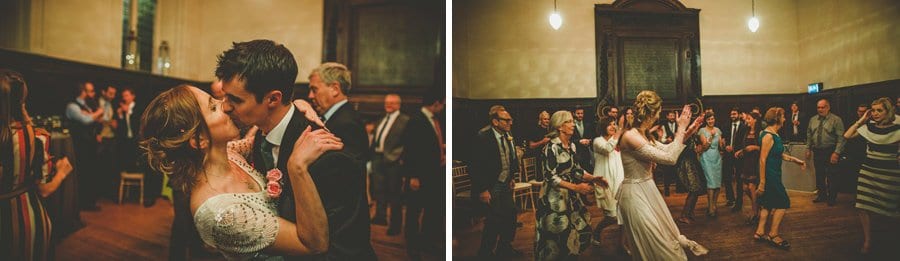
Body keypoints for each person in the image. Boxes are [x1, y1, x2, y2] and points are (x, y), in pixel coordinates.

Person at [217, 40, 375, 260]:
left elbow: (346, 249)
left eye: (235, 99)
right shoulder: (261, 137)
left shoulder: (330, 156)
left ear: (273, 99)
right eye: (225, 96)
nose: (225, 106)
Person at [139, 85, 335, 259]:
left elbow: (258, 136)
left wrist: (292, 108)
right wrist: (297, 168)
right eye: (213, 107)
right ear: (199, 140)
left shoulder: (230, 152)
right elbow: (314, 244)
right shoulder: (221, 213)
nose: (226, 105)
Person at [617, 90, 707, 260]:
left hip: (647, 189)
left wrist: (689, 130)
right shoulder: (630, 136)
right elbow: (670, 158)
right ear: (652, 113)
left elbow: (667, 149)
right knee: (654, 241)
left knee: (663, 236)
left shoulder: (643, 134)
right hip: (635, 194)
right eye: (658, 111)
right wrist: (681, 127)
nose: (659, 115)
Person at [0, 69, 74, 261]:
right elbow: (44, 190)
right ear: (21, 102)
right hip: (26, 224)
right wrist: (62, 172)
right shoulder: (36, 138)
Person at [534, 110, 608, 260]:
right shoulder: (551, 148)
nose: (573, 124)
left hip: (570, 195)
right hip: (554, 198)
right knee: (557, 234)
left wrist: (593, 178)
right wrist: (577, 188)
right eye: (568, 121)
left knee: (580, 227)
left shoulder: (571, 146)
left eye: (572, 121)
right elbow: (550, 177)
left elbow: (576, 170)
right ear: (559, 126)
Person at [842, 97, 899, 254]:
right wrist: (862, 120)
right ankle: (868, 240)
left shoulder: (897, 127)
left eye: (879, 110)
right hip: (869, 171)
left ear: (888, 111)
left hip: (890, 173)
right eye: (873, 110)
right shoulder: (869, 126)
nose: (875, 113)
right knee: (862, 206)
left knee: (892, 209)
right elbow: (847, 135)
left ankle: (892, 240)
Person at [470, 106, 522, 258]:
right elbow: (475, 166)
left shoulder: (508, 134)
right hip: (491, 185)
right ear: (495, 121)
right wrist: (482, 189)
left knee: (510, 215)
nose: (510, 122)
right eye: (507, 120)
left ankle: (504, 248)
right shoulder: (482, 136)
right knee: (494, 220)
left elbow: (511, 156)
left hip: (505, 183)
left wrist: (511, 177)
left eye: (511, 119)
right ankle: (485, 253)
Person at [753, 107, 807, 250]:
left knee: (767, 203)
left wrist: (795, 160)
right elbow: (762, 159)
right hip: (770, 175)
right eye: (783, 116)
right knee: (783, 202)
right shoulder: (768, 136)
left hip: (774, 173)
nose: (785, 119)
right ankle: (773, 234)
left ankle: (759, 232)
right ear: (777, 118)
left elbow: (778, 154)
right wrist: (762, 182)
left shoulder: (773, 134)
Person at [400, 92, 445, 260]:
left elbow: (428, 145)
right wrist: (413, 176)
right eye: (443, 104)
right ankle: (412, 247)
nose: (443, 107)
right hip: (419, 176)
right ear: (436, 103)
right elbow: (410, 149)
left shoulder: (433, 119)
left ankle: (426, 241)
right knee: (414, 211)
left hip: (433, 173)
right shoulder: (417, 120)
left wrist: (441, 152)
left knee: (431, 209)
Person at [307, 62, 369, 163]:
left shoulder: (348, 124)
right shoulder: (340, 118)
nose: (310, 96)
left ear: (335, 89)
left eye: (314, 90)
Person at [370, 94, 409, 235]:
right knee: (379, 190)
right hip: (378, 158)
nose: (388, 105)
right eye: (387, 102)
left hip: (394, 161)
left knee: (394, 194)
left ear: (399, 105)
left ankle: (395, 225)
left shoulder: (405, 120)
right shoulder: (382, 119)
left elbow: (408, 143)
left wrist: (401, 158)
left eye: (392, 103)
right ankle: (380, 217)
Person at [65, 81, 104, 211]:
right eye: (87, 91)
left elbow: (95, 119)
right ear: (82, 92)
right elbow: (86, 120)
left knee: (90, 173)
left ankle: (89, 202)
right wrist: (98, 112)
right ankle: (83, 203)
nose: (89, 93)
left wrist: (92, 115)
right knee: (83, 173)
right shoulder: (72, 106)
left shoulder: (85, 105)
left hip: (89, 144)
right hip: (80, 144)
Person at [590, 116, 624, 246]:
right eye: (610, 124)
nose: (613, 127)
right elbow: (607, 148)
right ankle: (596, 232)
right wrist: (619, 131)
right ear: (603, 126)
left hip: (618, 180)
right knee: (612, 216)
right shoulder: (597, 141)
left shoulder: (616, 140)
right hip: (605, 181)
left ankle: (621, 244)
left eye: (614, 124)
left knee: (622, 214)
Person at [806, 99, 845, 206]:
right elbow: (809, 134)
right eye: (818, 107)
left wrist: (836, 153)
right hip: (817, 151)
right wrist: (808, 148)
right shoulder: (813, 120)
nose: (820, 109)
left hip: (830, 151)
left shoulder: (836, 120)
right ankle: (822, 196)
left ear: (828, 107)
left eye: (823, 107)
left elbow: (841, 138)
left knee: (832, 176)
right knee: (819, 175)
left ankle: (832, 198)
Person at [674, 114, 707, 225]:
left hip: (693, 162)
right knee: (694, 189)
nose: (696, 127)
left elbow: (698, 147)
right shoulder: (685, 134)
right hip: (686, 163)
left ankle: (690, 213)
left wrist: (699, 147)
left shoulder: (694, 135)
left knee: (696, 189)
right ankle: (684, 215)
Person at [735, 112, 763, 224]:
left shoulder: (760, 132)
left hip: (755, 162)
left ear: (755, 120)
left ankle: (754, 213)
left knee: (752, 186)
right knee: (745, 188)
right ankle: (758, 205)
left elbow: (764, 148)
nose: (747, 121)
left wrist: (754, 147)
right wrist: (740, 151)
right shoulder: (746, 131)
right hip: (746, 162)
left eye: (749, 119)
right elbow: (745, 146)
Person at [698, 112, 724, 217]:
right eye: (708, 119)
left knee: (717, 183)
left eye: (712, 119)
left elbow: (720, 146)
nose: (711, 121)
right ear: (706, 121)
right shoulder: (702, 131)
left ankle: (714, 205)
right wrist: (711, 136)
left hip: (717, 158)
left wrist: (723, 144)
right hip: (707, 157)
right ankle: (710, 207)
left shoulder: (718, 130)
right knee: (710, 182)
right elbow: (705, 147)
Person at [723, 107, 748, 211]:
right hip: (728, 155)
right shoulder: (727, 125)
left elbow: (745, 142)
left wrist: (740, 150)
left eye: (734, 114)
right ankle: (730, 198)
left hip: (739, 155)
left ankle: (739, 202)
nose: (732, 116)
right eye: (731, 114)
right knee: (727, 177)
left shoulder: (744, 127)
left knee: (739, 179)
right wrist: (726, 146)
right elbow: (724, 139)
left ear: (739, 115)